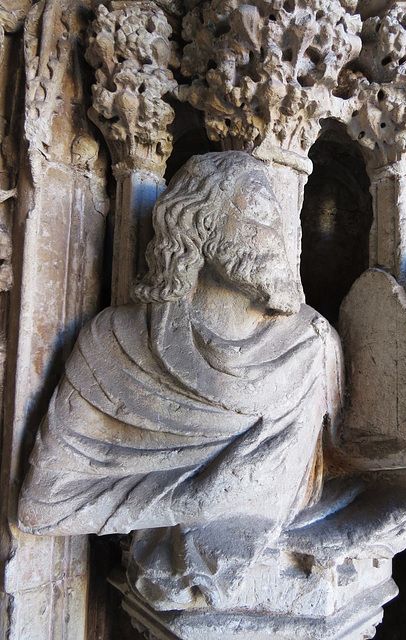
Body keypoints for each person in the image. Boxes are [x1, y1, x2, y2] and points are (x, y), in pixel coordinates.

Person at [18, 151, 344, 605]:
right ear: (200, 224)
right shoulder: (116, 343)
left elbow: (344, 457)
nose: (280, 239)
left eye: (280, 220)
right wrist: (197, 500)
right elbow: (43, 507)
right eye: (260, 215)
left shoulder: (311, 344)